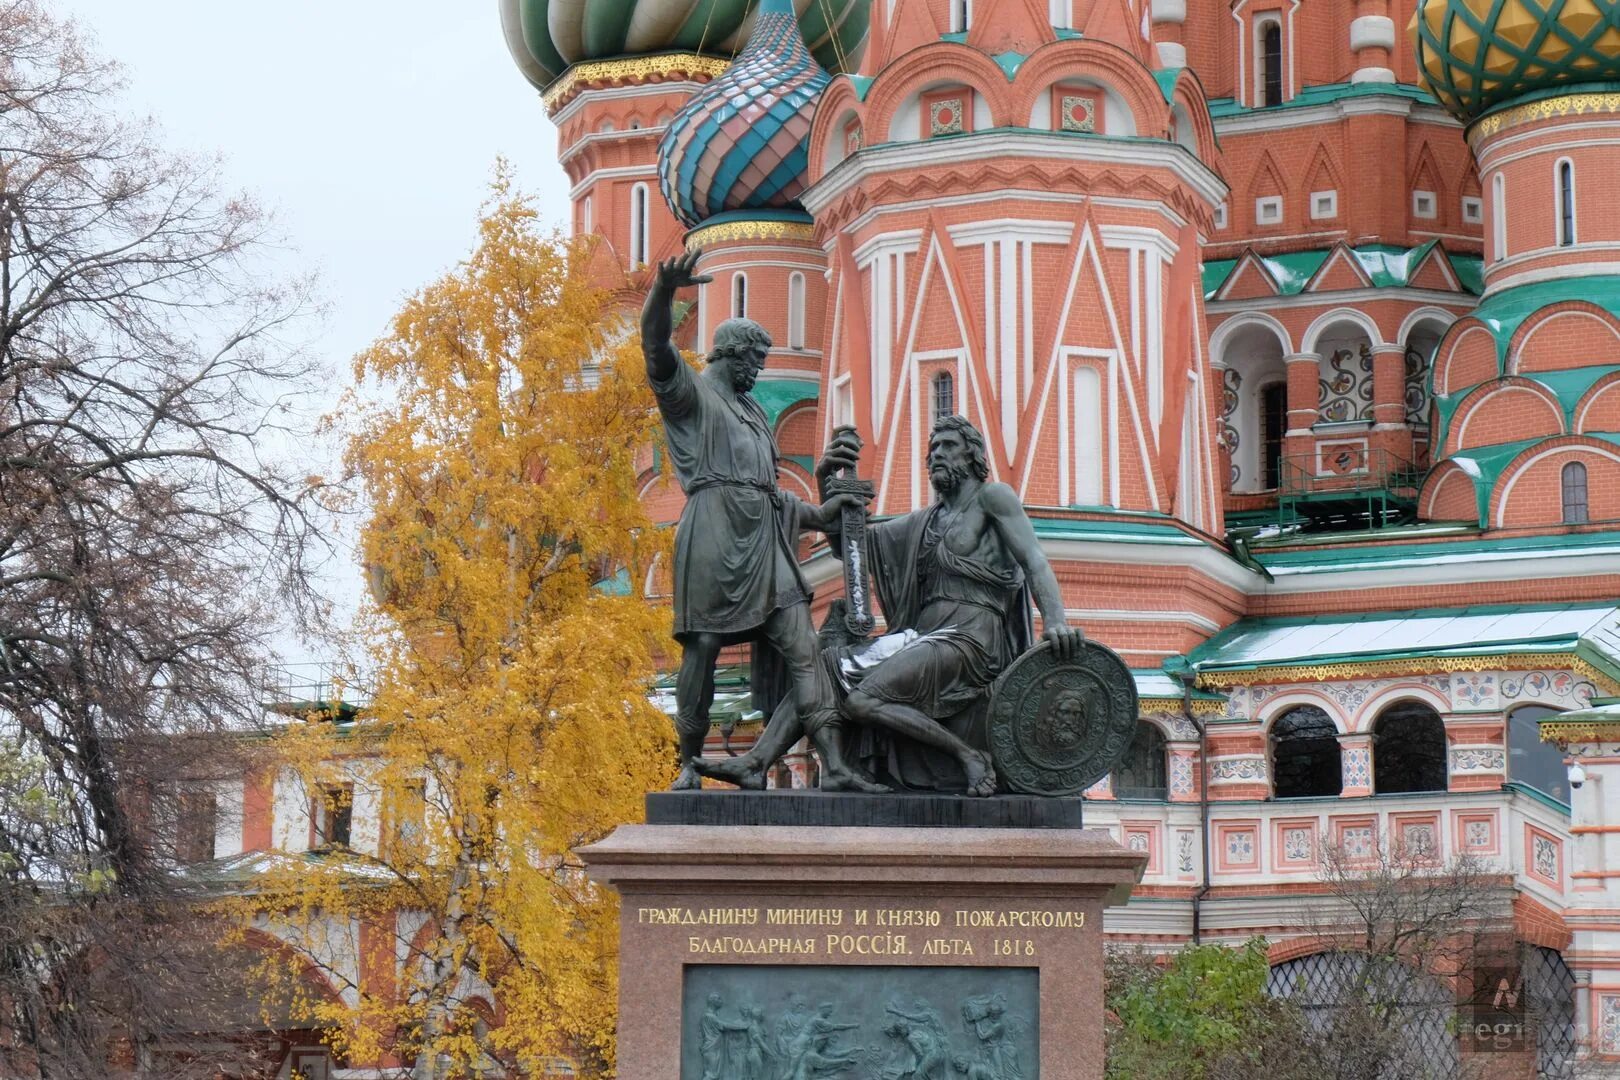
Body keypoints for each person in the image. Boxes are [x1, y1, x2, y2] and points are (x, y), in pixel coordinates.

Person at [697, 415, 1084, 795]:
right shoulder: (926, 521)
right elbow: (851, 545)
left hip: (972, 640)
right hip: (923, 637)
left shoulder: (993, 498)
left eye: (948, 446)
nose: (937, 455)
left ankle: (969, 755)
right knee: (821, 666)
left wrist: (1055, 620)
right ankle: (756, 763)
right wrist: (828, 485)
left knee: (865, 698)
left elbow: (1034, 559)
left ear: (973, 456)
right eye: (932, 448)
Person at [640, 250, 866, 789]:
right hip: (714, 533)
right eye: (755, 361)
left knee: (805, 650)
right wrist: (663, 293)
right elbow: (655, 348)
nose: (760, 371)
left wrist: (821, 513)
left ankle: (833, 765)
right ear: (731, 354)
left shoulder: (753, 413)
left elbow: (774, 497)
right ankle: (689, 767)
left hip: (765, 543)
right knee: (704, 649)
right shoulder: (691, 395)